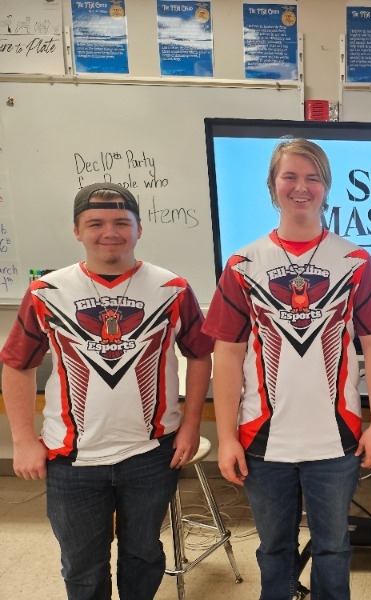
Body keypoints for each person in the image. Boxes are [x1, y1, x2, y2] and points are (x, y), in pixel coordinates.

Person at [203, 137, 371, 600]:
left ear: (326, 187)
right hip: (262, 439)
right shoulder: (242, 264)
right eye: (289, 176)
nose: (301, 187)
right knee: (274, 549)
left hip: (336, 438)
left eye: (312, 178)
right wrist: (227, 437)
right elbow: (227, 355)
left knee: (333, 548)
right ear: (272, 185)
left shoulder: (355, 261)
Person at [0, 182, 213, 600]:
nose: (109, 232)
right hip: (71, 460)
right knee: (82, 565)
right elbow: (17, 364)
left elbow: (200, 355)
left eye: (121, 222)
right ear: (77, 230)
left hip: (151, 455)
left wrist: (190, 425)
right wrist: (22, 441)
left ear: (139, 228)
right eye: (95, 223)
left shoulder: (172, 288)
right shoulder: (47, 292)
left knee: (143, 555)